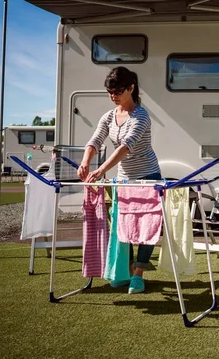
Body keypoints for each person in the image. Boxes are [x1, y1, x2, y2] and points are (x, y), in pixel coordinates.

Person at [77, 66, 161, 294]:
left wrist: (101, 169)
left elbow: (126, 147)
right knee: (124, 227)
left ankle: (139, 274)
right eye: (110, 92)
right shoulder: (108, 117)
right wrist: (86, 161)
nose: (113, 96)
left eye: (118, 91)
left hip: (147, 178)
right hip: (124, 180)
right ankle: (128, 268)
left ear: (131, 88)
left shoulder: (141, 115)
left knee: (147, 227)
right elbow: (95, 140)